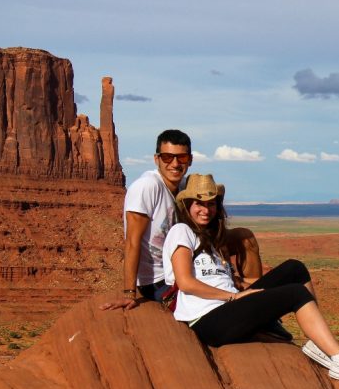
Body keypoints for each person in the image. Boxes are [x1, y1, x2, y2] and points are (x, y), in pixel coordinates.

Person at [163, 173, 339, 386]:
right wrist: (234, 296)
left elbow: (222, 279)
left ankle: (319, 343)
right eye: (199, 204)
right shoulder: (182, 231)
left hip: (230, 307)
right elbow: (186, 282)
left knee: (294, 269)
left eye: (211, 204)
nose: (206, 210)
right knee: (296, 293)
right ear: (187, 205)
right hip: (208, 320)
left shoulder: (212, 240)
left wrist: (252, 293)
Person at [101, 130, 270, 324]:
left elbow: (210, 231)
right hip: (160, 279)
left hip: (190, 260)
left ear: (190, 160)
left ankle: (254, 294)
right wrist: (130, 293)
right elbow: (132, 241)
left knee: (243, 236)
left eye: (181, 157)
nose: (174, 163)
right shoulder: (147, 186)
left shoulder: (185, 187)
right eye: (167, 157)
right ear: (156, 159)